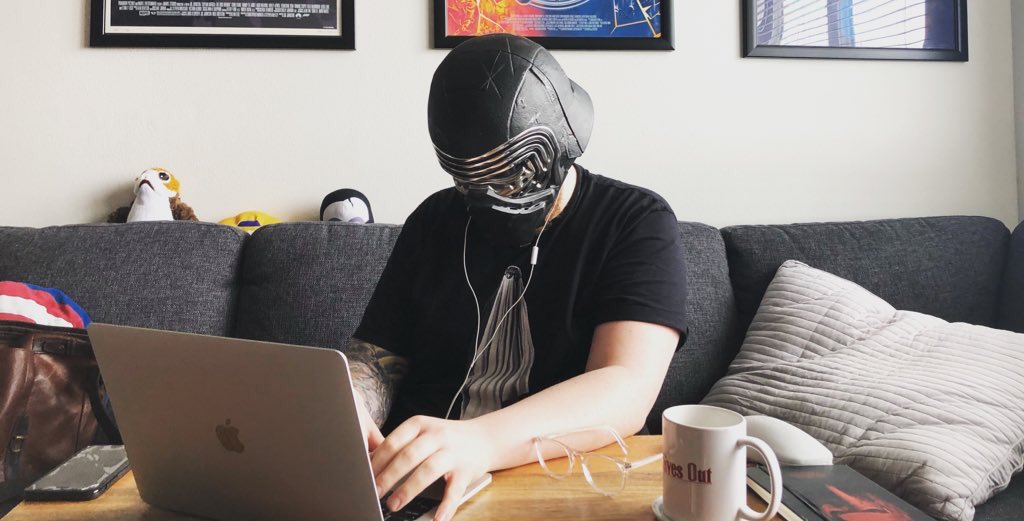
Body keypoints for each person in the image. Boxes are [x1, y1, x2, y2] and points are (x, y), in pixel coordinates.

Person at [345, 33, 688, 521]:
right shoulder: (434, 220)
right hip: (412, 484)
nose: (483, 198)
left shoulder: (635, 221)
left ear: (561, 144)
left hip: (554, 482)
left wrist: (478, 441)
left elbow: (626, 384)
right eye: (465, 179)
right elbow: (377, 355)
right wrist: (349, 404)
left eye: (507, 176)